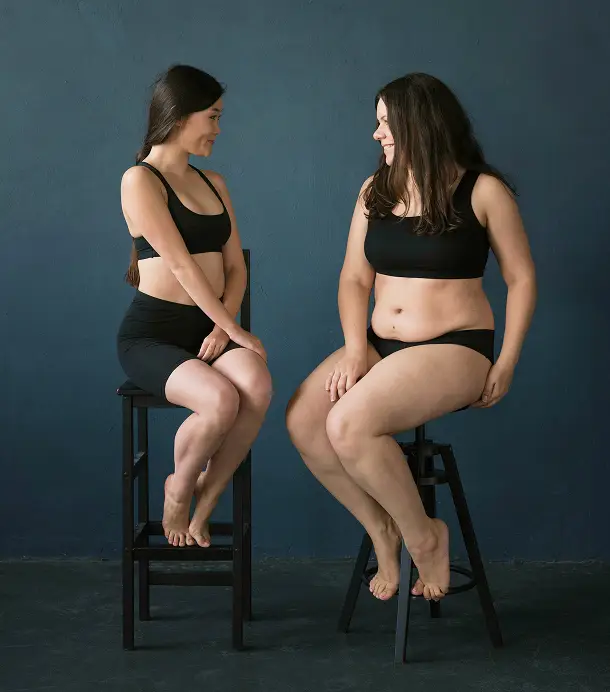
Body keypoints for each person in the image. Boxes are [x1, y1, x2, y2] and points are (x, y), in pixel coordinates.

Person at [286, 73, 536, 602]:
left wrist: (508, 361)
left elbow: (522, 277)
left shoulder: (481, 190)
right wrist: (356, 349)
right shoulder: (375, 189)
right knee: (305, 422)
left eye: (385, 122)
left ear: (418, 124)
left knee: (349, 424)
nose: (377, 134)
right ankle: (384, 529)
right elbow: (354, 278)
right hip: (379, 347)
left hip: (455, 348)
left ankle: (426, 538)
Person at [117, 65, 272, 549]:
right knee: (221, 400)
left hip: (209, 329)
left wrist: (224, 331)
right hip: (153, 335)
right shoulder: (140, 180)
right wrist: (234, 329)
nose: (218, 129)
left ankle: (207, 499)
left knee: (257, 385)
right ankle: (179, 488)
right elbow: (182, 267)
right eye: (213, 116)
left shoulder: (215, 183)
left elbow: (237, 270)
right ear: (181, 116)